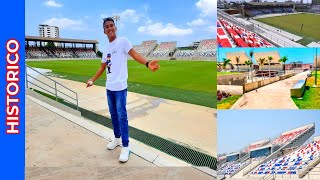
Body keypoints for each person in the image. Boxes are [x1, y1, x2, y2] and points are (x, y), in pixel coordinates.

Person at [86, 17, 160, 162]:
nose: (110, 28)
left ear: (115, 28)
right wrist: (92, 80)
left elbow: (135, 55)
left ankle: (126, 146)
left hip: (120, 88)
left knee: (122, 116)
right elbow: (102, 67)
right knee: (113, 115)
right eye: (107, 26)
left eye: (112, 25)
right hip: (109, 88)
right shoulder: (106, 48)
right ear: (104, 31)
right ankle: (117, 139)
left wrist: (147, 63)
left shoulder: (123, 42)